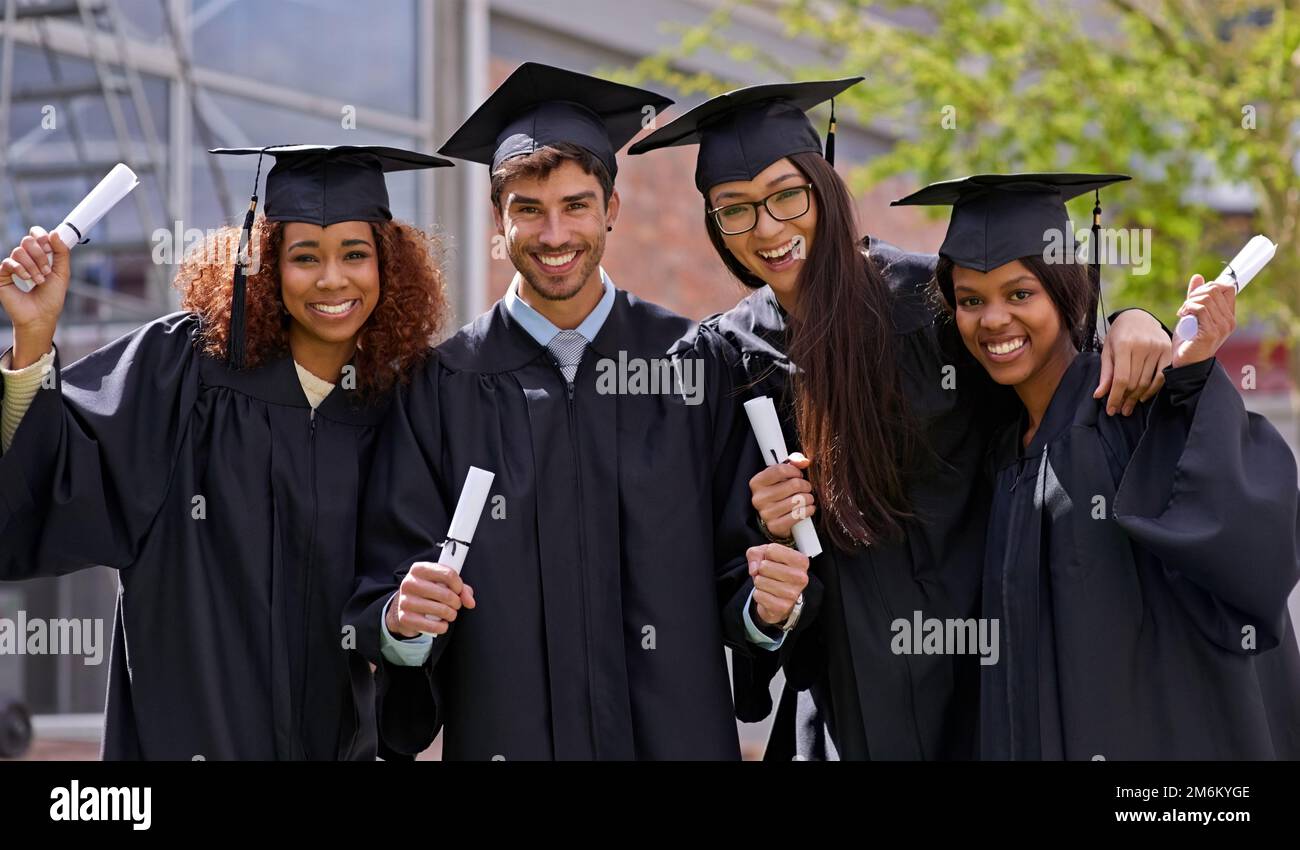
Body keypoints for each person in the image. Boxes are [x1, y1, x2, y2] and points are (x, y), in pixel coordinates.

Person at [630, 82, 1175, 759]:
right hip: (840, 711)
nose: (767, 229)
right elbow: (729, 585)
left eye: (785, 195)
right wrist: (772, 570)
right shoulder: (724, 362)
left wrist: (1132, 319)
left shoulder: (936, 305)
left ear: (823, 184)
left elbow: (1051, 369)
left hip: (987, 685)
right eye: (733, 211)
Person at [344, 63, 808, 761]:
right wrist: (401, 621)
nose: (554, 233)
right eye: (528, 209)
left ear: (611, 210)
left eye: (576, 205)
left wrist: (767, 606)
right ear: (498, 219)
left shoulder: (694, 365)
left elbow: (741, 569)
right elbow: (391, 586)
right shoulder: (441, 387)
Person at [0, 144, 452, 759]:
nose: (331, 278)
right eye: (304, 256)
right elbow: (62, 478)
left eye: (355, 254)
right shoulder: (183, 373)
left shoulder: (396, 404)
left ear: (388, 267)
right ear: (264, 263)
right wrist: (33, 338)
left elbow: (395, 600)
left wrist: (404, 625)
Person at [901, 172, 1300, 758]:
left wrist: (1187, 378)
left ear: (1067, 292)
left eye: (1020, 294)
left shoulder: (1131, 405)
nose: (993, 320)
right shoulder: (1000, 445)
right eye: (970, 300)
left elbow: (1250, 547)